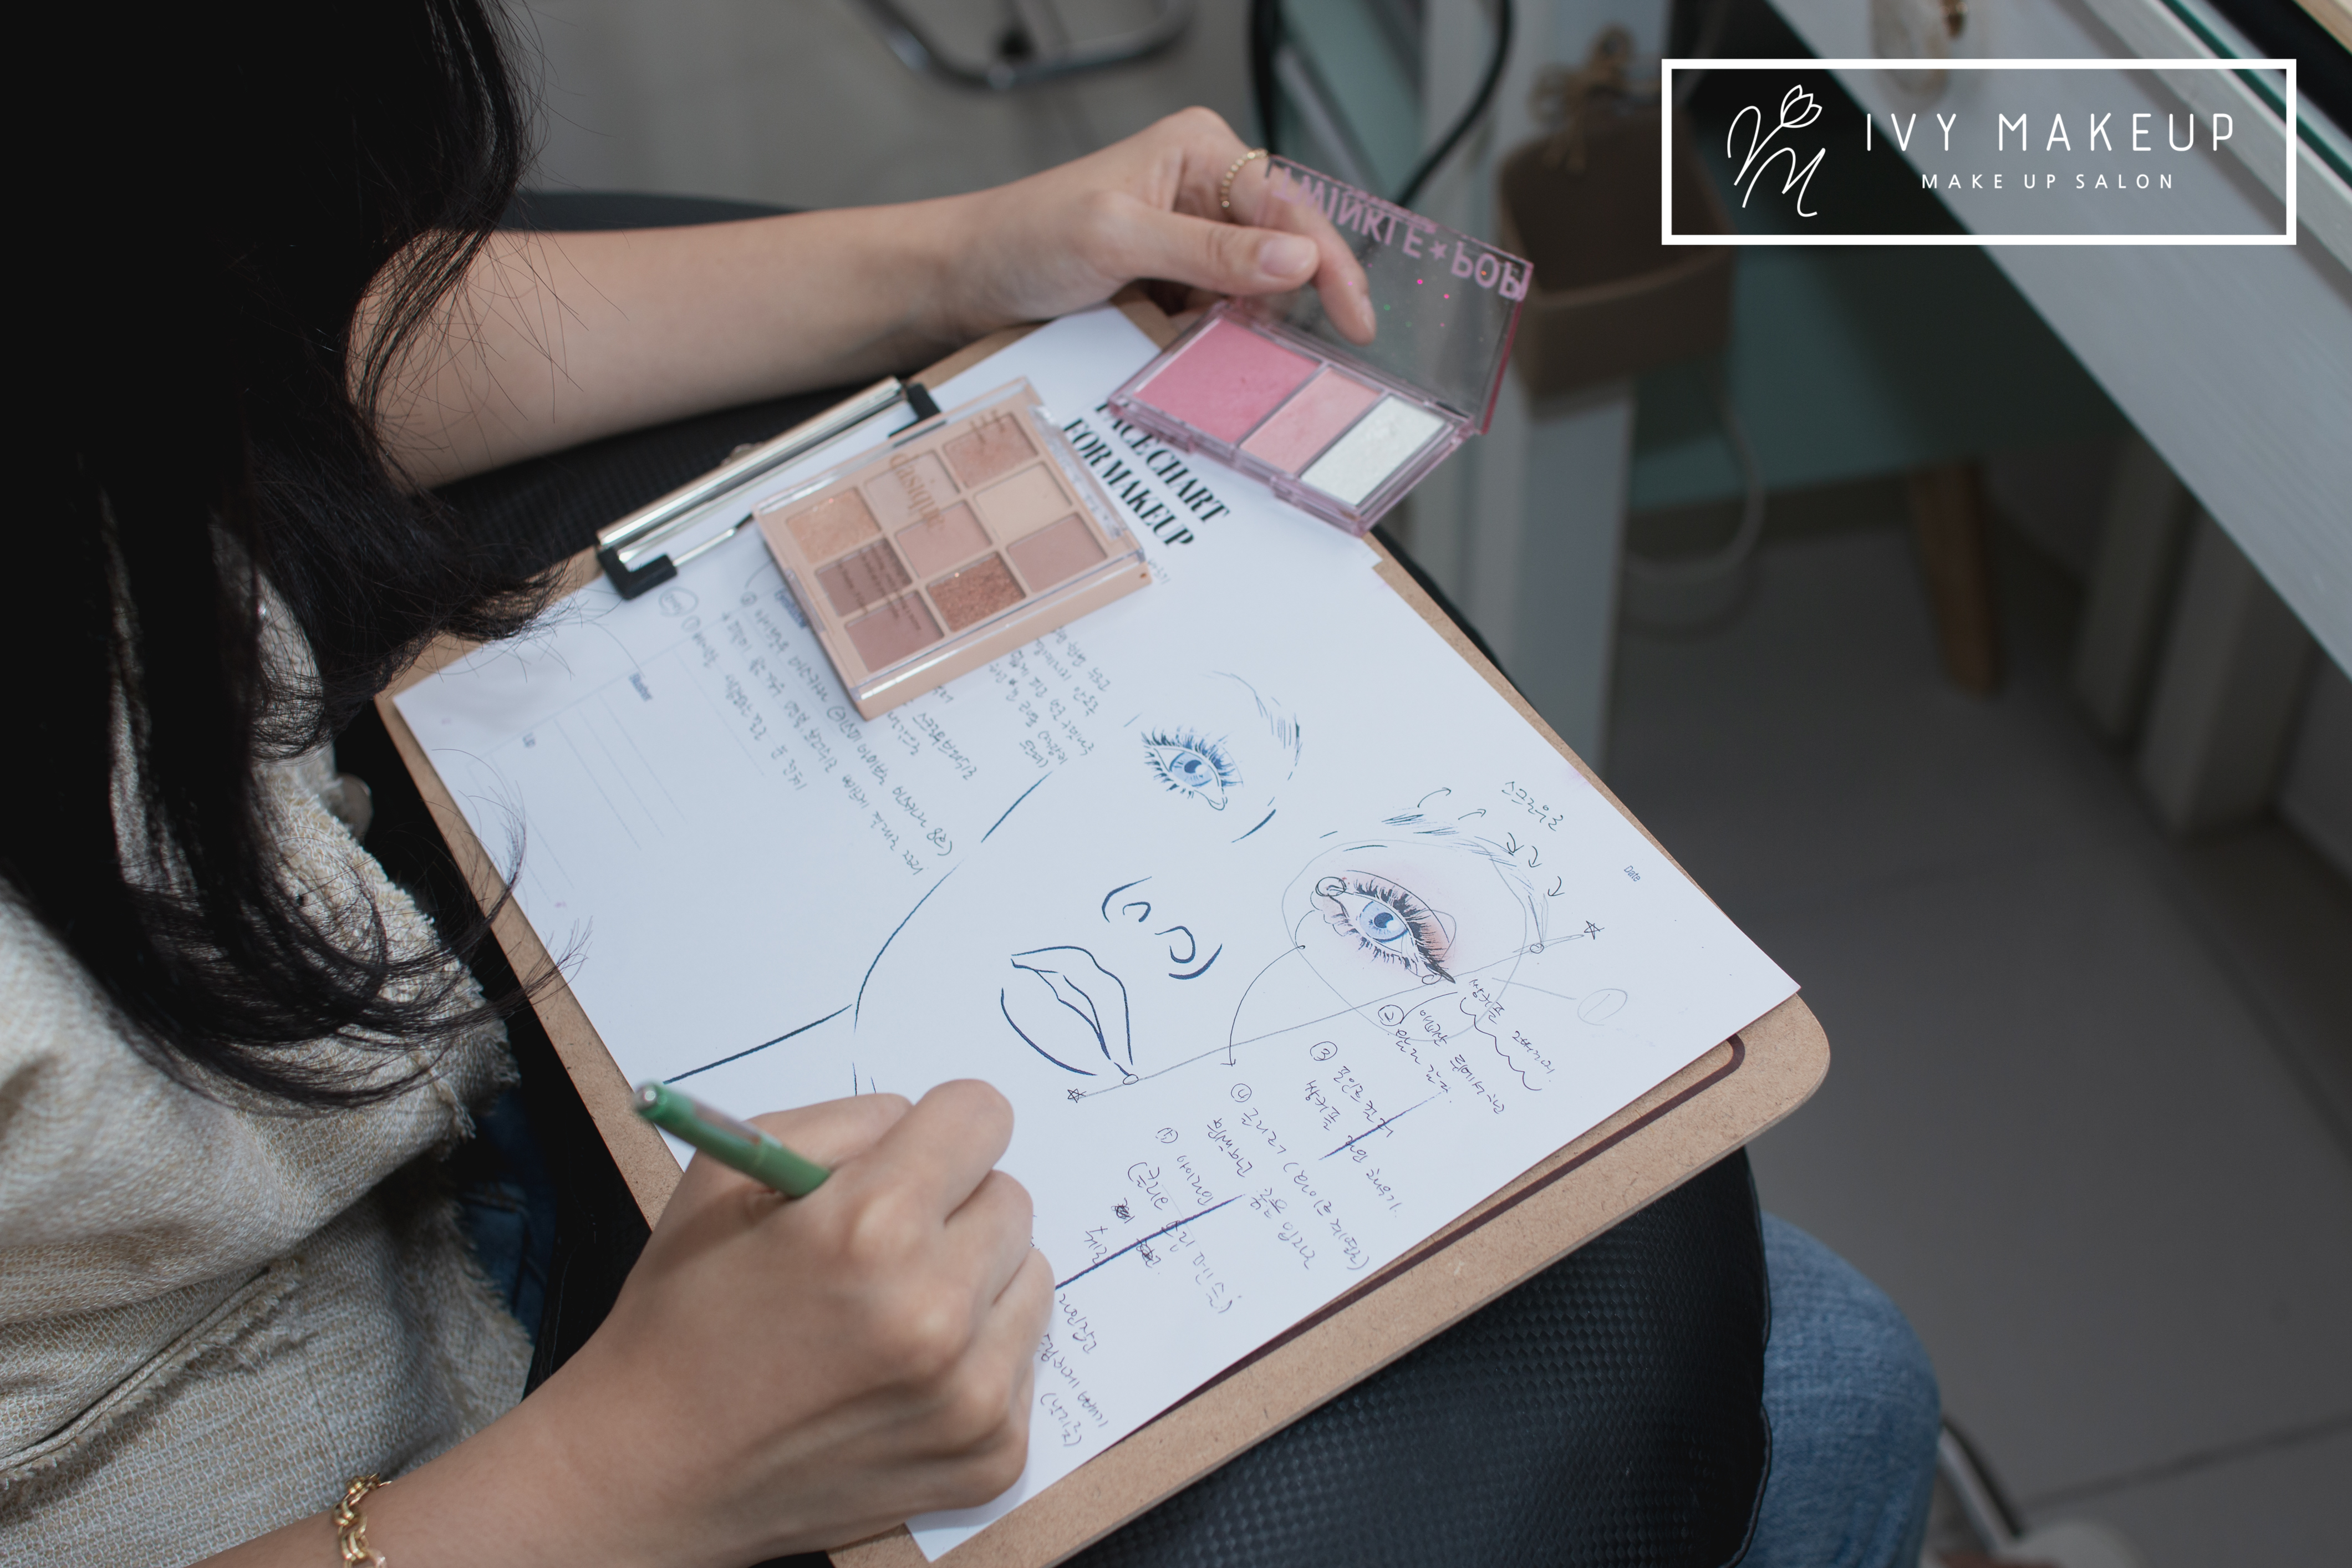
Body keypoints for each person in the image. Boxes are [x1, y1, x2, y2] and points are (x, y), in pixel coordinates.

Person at [2, 5, 1937, 1565]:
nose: (1172, 917)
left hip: (395, 1214)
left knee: (1834, 1361)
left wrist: (971, 255)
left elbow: (218, 370)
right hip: (452, 1475)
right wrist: (622, 1475)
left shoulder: (114, 329)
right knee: (1837, 1389)